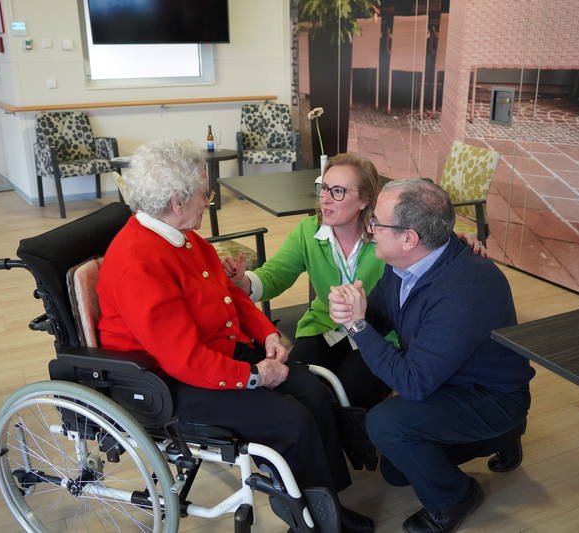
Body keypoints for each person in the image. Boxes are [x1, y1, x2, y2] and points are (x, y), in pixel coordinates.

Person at [96, 139, 373, 532]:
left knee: (311, 389)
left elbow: (230, 296)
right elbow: (183, 360)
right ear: (176, 201)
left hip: (215, 354)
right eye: (204, 194)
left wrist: (267, 334)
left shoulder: (184, 238)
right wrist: (254, 376)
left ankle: (328, 504)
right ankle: (310, 521)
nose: (208, 202)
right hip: (168, 381)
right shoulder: (139, 262)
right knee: (290, 420)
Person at [328, 179, 535, 533]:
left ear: (409, 238)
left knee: (385, 425)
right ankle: (500, 437)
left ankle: (456, 497)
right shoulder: (407, 262)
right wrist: (352, 309)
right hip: (447, 378)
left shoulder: (465, 289)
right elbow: (380, 312)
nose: (370, 229)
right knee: (395, 471)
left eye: (376, 222)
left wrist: (358, 326)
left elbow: (412, 382)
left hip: (490, 396)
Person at [225, 153, 487, 409]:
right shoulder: (308, 231)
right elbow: (274, 275)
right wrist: (243, 282)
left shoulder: (388, 235)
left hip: (379, 331)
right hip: (323, 325)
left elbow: (423, 237)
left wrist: (457, 241)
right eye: (323, 188)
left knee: (349, 395)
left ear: (364, 200)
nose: (325, 199)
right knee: (298, 388)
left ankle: (350, 433)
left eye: (338, 191)